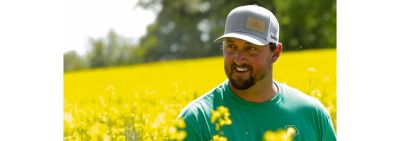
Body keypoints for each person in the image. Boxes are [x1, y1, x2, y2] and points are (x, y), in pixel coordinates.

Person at [178, 5, 336, 141]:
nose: (238, 59)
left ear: (276, 53)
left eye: (251, 48)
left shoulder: (312, 115)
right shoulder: (196, 120)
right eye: (231, 46)